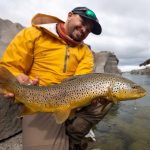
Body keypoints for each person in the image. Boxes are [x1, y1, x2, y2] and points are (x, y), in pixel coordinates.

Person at [0, 7, 113, 150]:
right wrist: (17, 77)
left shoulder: (85, 52)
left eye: (89, 29)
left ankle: (73, 134)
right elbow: (9, 66)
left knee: (108, 98)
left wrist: (92, 96)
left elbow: (81, 79)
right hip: (42, 100)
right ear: (70, 15)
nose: (85, 29)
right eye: (83, 22)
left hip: (71, 100)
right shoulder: (33, 33)